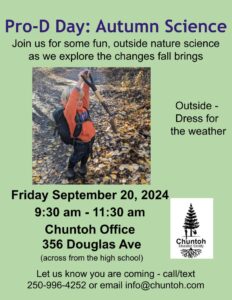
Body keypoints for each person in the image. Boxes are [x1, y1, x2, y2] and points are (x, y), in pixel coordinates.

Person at [62, 70, 95, 179]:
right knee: (76, 156)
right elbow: (72, 99)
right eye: (77, 99)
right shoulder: (70, 113)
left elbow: (85, 95)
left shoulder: (84, 108)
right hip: (80, 142)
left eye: (81, 99)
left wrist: (86, 80)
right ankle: (70, 168)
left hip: (90, 139)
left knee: (86, 155)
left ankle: (83, 166)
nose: (80, 101)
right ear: (68, 102)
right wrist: (80, 80)